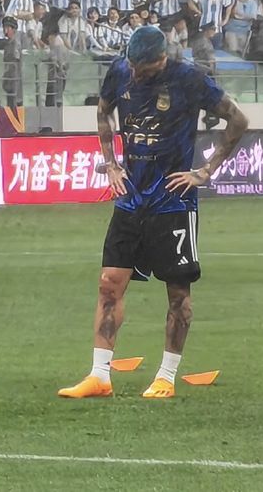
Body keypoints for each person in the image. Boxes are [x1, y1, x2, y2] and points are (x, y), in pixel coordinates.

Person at [58, 26, 248, 400]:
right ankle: (99, 376)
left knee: (177, 292)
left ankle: (166, 376)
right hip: (131, 197)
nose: (134, 73)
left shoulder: (189, 79)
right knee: (109, 283)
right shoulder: (119, 70)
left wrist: (205, 171)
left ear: (160, 60)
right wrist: (111, 163)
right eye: (131, 66)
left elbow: (237, 119)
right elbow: (103, 111)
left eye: (141, 68)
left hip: (173, 200)